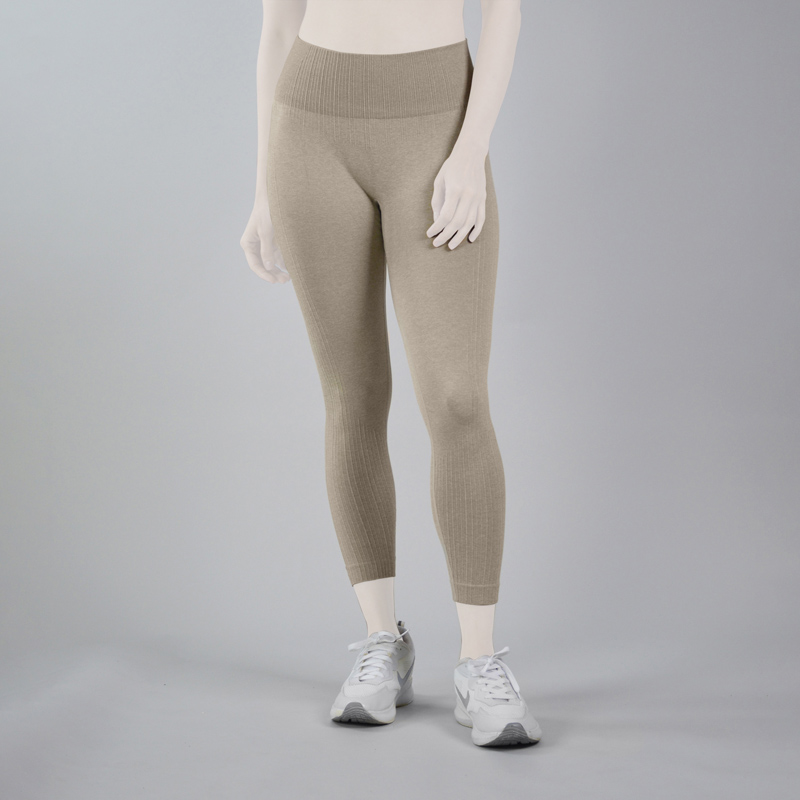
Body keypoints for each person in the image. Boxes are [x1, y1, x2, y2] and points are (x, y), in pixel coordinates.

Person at [240, 0, 541, 747]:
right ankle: (383, 643)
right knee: (352, 396)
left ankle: (478, 661)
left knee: (458, 400)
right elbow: (277, 27)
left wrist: (471, 149)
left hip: (437, 123)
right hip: (310, 127)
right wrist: (263, 189)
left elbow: (505, 14)